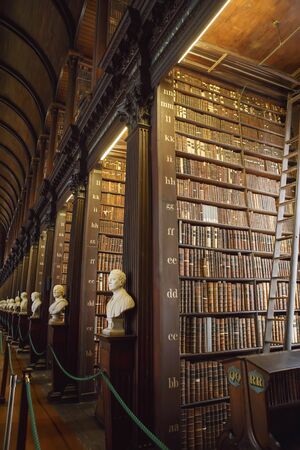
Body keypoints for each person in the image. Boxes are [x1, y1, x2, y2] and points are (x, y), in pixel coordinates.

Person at [102, 270, 134, 336]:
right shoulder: (109, 303)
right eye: (109, 280)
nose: (109, 282)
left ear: (121, 282)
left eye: (113, 279)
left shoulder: (127, 300)